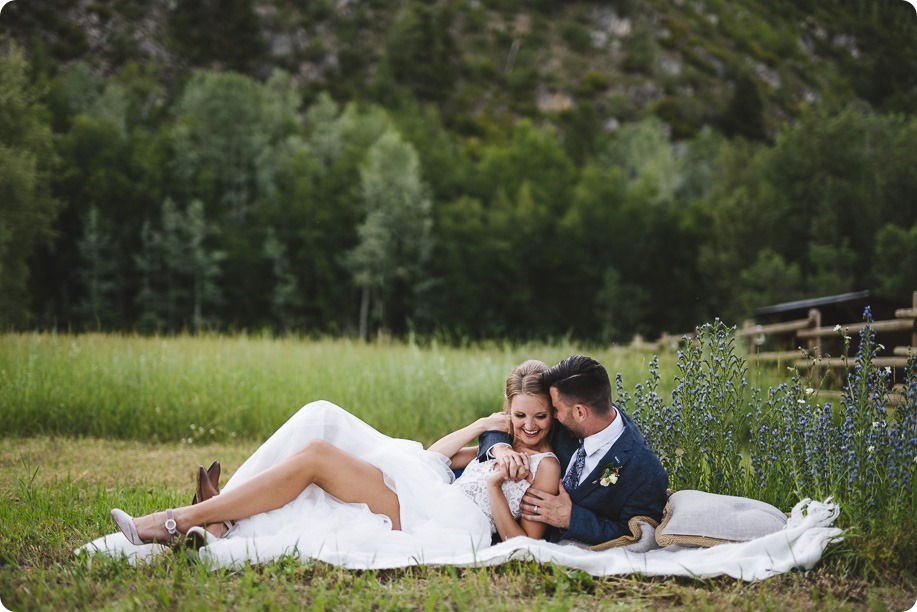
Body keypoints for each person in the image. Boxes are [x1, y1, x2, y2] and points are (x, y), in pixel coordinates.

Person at [106, 360, 559, 565]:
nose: (530, 426)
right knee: (319, 419)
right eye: (519, 415)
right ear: (508, 410)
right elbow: (435, 458)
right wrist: (484, 428)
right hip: (426, 493)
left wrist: (497, 487)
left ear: (552, 416)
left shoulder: (544, 466)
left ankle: (174, 521)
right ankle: (217, 518)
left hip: (448, 523)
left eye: (539, 416)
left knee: (318, 456)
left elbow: (524, 543)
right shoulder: (496, 443)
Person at [478, 355, 668, 546]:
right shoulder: (573, 411)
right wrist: (502, 449)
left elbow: (636, 534)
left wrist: (571, 518)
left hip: (532, 540)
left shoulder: (646, 472)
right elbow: (503, 423)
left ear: (580, 412)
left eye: (555, 410)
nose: (552, 415)